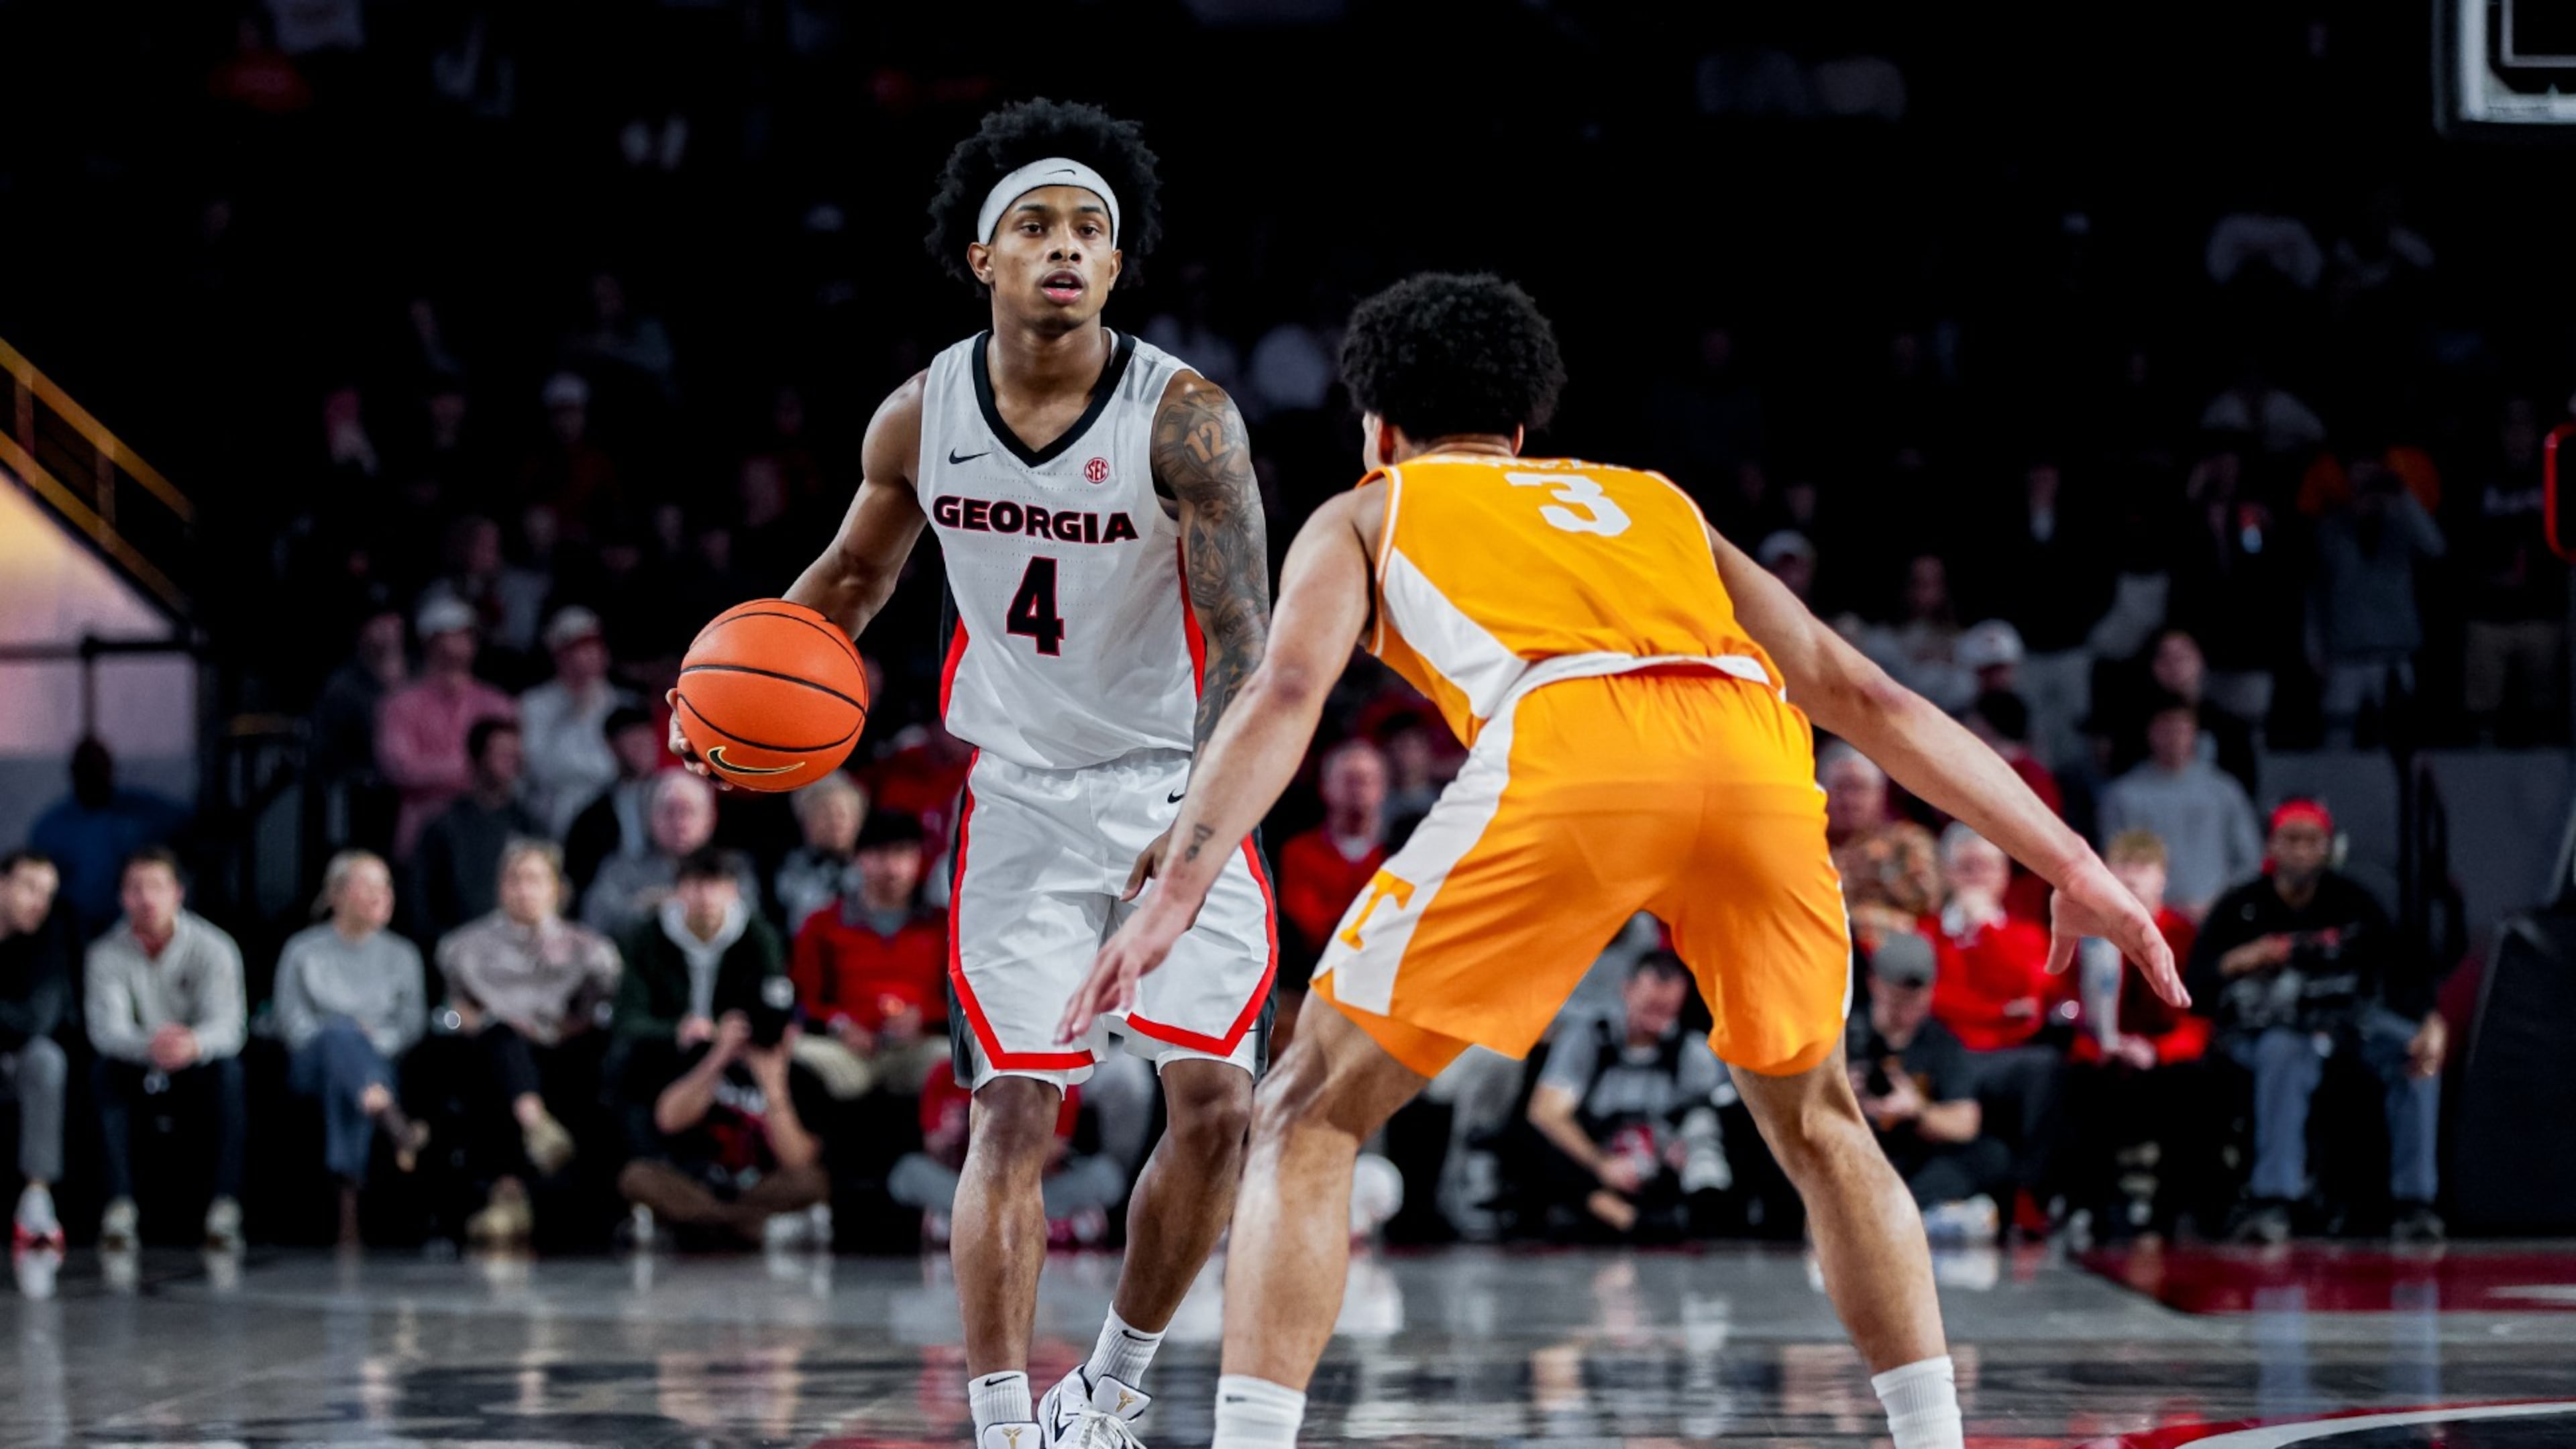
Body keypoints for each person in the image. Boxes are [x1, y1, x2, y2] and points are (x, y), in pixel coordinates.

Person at [1061, 272, 2178, 1449]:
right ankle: (1935, 1440)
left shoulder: (1367, 507)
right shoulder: (1656, 501)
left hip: (1575, 745)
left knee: (1306, 1110)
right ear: (1526, 428)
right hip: (1753, 747)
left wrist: (1178, 884)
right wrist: (2072, 861)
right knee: (1823, 1124)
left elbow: (1288, 690)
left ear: (1377, 429)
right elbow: (1868, 695)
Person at [667, 100, 1276, 1449]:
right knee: (1011, 1107)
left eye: (1091, 232)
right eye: (1036, 228)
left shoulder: (1188, 422)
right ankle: (1004, 1421)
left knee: (1220, 1105)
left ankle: (1111, 1387)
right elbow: (848, 582)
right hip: (1019, 796)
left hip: (1178, 783)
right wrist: (721, 694)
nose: (1066, 250)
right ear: (980, 257)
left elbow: (1249, 646)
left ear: (1118, 268)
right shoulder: (920, 414)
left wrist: (1198, 826)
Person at [2186, 800, 2446, 1244]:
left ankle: (2415, 1202)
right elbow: (2196, 984)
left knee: (2413, 1051)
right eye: (2292, 840)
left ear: (2328, 848)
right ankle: (2274, 1200)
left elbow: (2404, 974)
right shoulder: (2242, 905)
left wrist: (2432, 1022)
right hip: (2265, 1030)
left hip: (2346, 1023)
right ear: (2272, 845)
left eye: (2313, 841)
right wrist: (2243, 959)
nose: (2302, 851)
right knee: (2287, 1052)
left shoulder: (2354, 901)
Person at [435, 840, 623, 1246]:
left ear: (556, 888)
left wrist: (561, 1028)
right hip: (493, 1051)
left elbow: (597, 1011)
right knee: (498, 1047)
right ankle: (533, 1130)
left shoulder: (590, 950)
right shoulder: (464, 948)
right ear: (501, 887)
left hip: (561, 1051)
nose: (524, 890)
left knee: (578, 1064)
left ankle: (523, 1194)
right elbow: (459, 1010)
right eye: (515, 880)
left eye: (535, 879)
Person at [85, 848, 250, 1253]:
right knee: (103, 1073)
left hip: (196, 1062)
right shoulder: (105, 953)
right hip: (137, 1061)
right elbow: (107, 1030)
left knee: (231, 1073)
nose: (146, 898)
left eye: (156, 886)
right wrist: (152, 1045)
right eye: (135, 888)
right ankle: (119, 1207)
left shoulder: (215, 947)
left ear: (178, 893)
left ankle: (224, 1208)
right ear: (123, 897)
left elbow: (230, 1026)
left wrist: (193, 1043)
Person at [272, 850, 430, 1246]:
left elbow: (410, 1024)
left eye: (386, 886)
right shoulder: (302, 950)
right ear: (336, 895)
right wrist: (342, 1037)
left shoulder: (402, 955)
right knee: (339, 1036)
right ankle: (390, 1118)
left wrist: (367, 1041)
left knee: (349, 1076)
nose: (382, 895)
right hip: (312, 1059)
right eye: (368, 886)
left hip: (378, 1062)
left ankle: (347, 1192)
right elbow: (291, 1022)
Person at [1524, 953, 1730, 1240]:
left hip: (1659, 1163)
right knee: (1539, 1138)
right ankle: (1620, 1216)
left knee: (1711, 1127)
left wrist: (1681, 1148)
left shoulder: (1690, 1051)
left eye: (1667, 1011)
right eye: (1650, 1007)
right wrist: (1601, 1163)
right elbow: (1545, 1112)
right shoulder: (1590, 1039)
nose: (1657, 1020)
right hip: (1598, 1163)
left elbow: (1711, 1113)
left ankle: (1699, 1215)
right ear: (1628, 990)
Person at [607, 849, 788, 1157]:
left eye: (715, 885)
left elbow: (775, 1002)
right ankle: (644, 1164)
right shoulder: (646, 937)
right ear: (678, 890)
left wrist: (736, 1033)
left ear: (733, 891)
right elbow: (627, 1017)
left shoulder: (759, 937)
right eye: (695, 885)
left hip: (738, 1048)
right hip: (666, 1050)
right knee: (626, 1067)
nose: (705, 897)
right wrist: (677, 1029)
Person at [617, 1004, 833, 1250]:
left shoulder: (803, 1079)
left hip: (760, 1190)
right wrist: (718, 1057)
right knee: (637, 1176)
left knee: (814, 1181)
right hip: (699, 1188)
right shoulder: (700, 1058)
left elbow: (799, 1161)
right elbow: (667, 1120)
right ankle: (750, 1227)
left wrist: (775, 1087)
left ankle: (702, 1227)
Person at [1847, 934, 2007, 1238]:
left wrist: (1917, 1110)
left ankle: (1894, 1213)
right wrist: (1844, 1099)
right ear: (1875, 984)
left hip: (1914, 1160)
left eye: (1916, 999)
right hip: (1858, 1153)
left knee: (1989, 1154)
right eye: (1898, 998)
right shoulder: (1847, 1035)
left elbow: (1966, 1122)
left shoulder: (1941, 1043)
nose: (1907, 1009)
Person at [789, 810, 948, 1102]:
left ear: (918, 860)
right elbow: (804, 999)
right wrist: (839, 1025)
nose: (892, 868)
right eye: (881, 855)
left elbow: (960, 1001)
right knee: (795, 1052)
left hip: (916, 1049)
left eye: (903, 855)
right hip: (845, 1051)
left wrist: (925, 1017)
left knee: (954, 1058)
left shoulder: (942, 926)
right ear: (859, 859)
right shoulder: (822, 924)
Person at [2096, 694, 2262, 920]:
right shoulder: (2123, 795)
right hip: (2150, 919)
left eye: (2182, 728)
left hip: (2217, 917)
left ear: (2195, 732)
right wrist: (2158, 906)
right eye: (2166, 728)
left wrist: (2217, 904)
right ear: (2150, 732)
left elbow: (2249, 861)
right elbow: (2117, 863)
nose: (2174, 737)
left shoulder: (2225, 791)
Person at [377, 594, 516, 861]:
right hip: (422, 831)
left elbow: (511, 767)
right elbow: (401, 769)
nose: (459, 644)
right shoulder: (399, 705)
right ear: (429, 641)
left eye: (465, 635)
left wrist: (441, 769)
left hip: (484, 830)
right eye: (450, 635)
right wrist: (473, 768)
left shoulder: (497, 705)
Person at [28, 737, 189, 941]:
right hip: (73, 932)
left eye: (101, 768)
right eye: (86, 771)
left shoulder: (139, 811)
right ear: (73, 773)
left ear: (111, 770)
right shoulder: (51, 827)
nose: (94, 776)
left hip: (134, 927)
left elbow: (190, 825)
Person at [409, 718, 545, 942]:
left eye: (516, 754)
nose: (512, 762)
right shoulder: (444, 826)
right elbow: (421, 900)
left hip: (520, 949)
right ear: (477, 757)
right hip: (458, 948)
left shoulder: (531, 827)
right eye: (502, 753)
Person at [582, 771, 759, 940]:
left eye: (689, 811)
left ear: (710, 818)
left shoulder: (733, 868)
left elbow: (754, 921)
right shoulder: (620, 871)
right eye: (669, 811)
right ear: (650, 816)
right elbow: (597, 923)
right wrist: (653, 908)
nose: (679, 822)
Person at [0, 851, 71, 1252]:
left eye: (48, 893)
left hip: (13, 1060)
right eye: (30, 887)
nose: (39, 902)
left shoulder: (47, 940)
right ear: (2, 883)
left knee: (47, 1057)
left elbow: (35, 1021)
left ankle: (37, 1200)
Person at [518, 606, 637, 837]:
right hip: (554, 815)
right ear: (559, 655)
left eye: (596, 646)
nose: (592, 655)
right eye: (579, 648)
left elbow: (625, 768)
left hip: (613, 814)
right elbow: (539, 769)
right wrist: (576, 715)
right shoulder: (534, 705)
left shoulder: (624, 704)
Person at [1274, 739, 1390, 975]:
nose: (1359, 788)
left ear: (1383, 788)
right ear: (1325, 786)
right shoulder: (1299, 853)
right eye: (1350, 780)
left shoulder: (1400, 854)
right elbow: (1309, 927)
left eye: (1368, 780)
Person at [564, 704, 668, 895]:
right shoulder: (592, 817)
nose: (643, 746)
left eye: (647, 736)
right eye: (633, 739)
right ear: (612, 746)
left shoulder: (680, 799)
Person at [772, 769, 868, 936]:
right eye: (825, 814)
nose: (835, 823)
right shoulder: (784, 872)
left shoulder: (875, 868)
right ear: (804, 821)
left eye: (842, 815)